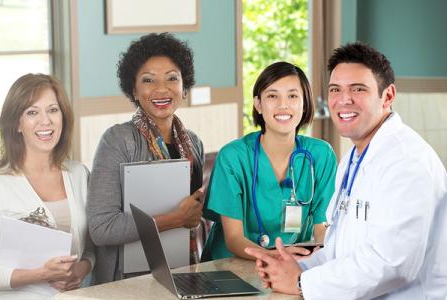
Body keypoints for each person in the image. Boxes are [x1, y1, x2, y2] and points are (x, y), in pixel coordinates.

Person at [245, 42, 447, 299]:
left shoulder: (408, 162)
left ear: (388, 96)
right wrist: (295, 269)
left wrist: (300, 283)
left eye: (358, 89)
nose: (344, 99)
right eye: (335, 89)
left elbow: (394, 264)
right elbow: (339, 250)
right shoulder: (353, 159)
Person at [87, 33, 205, 284]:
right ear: (134, 89)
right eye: (148, 80)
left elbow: (195, 215)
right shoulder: (117, 140)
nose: (161, 89)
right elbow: (101, 228)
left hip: (181, 273)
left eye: (172, 78)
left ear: (184, 87)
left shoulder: (193, 144)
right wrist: (174, 219)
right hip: (127, 282)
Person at [0, 74, 95, 299]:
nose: (45, 121)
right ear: (17, 123)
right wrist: (40, 274)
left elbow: (92, 249)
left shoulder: (79, 175)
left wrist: (80, 270)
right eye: (32, 112)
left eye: (53, 110)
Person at [201, 62, 337, 262]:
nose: (283, 105)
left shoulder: (321, 155)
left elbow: (321, 224)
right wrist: (274, 257)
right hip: (230, 267)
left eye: (292, 96)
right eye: (272, 96)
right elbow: (233, 238)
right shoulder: (233, 157)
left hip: (290, 265)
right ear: (258, 104)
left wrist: (327, 258)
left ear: (305, 103)